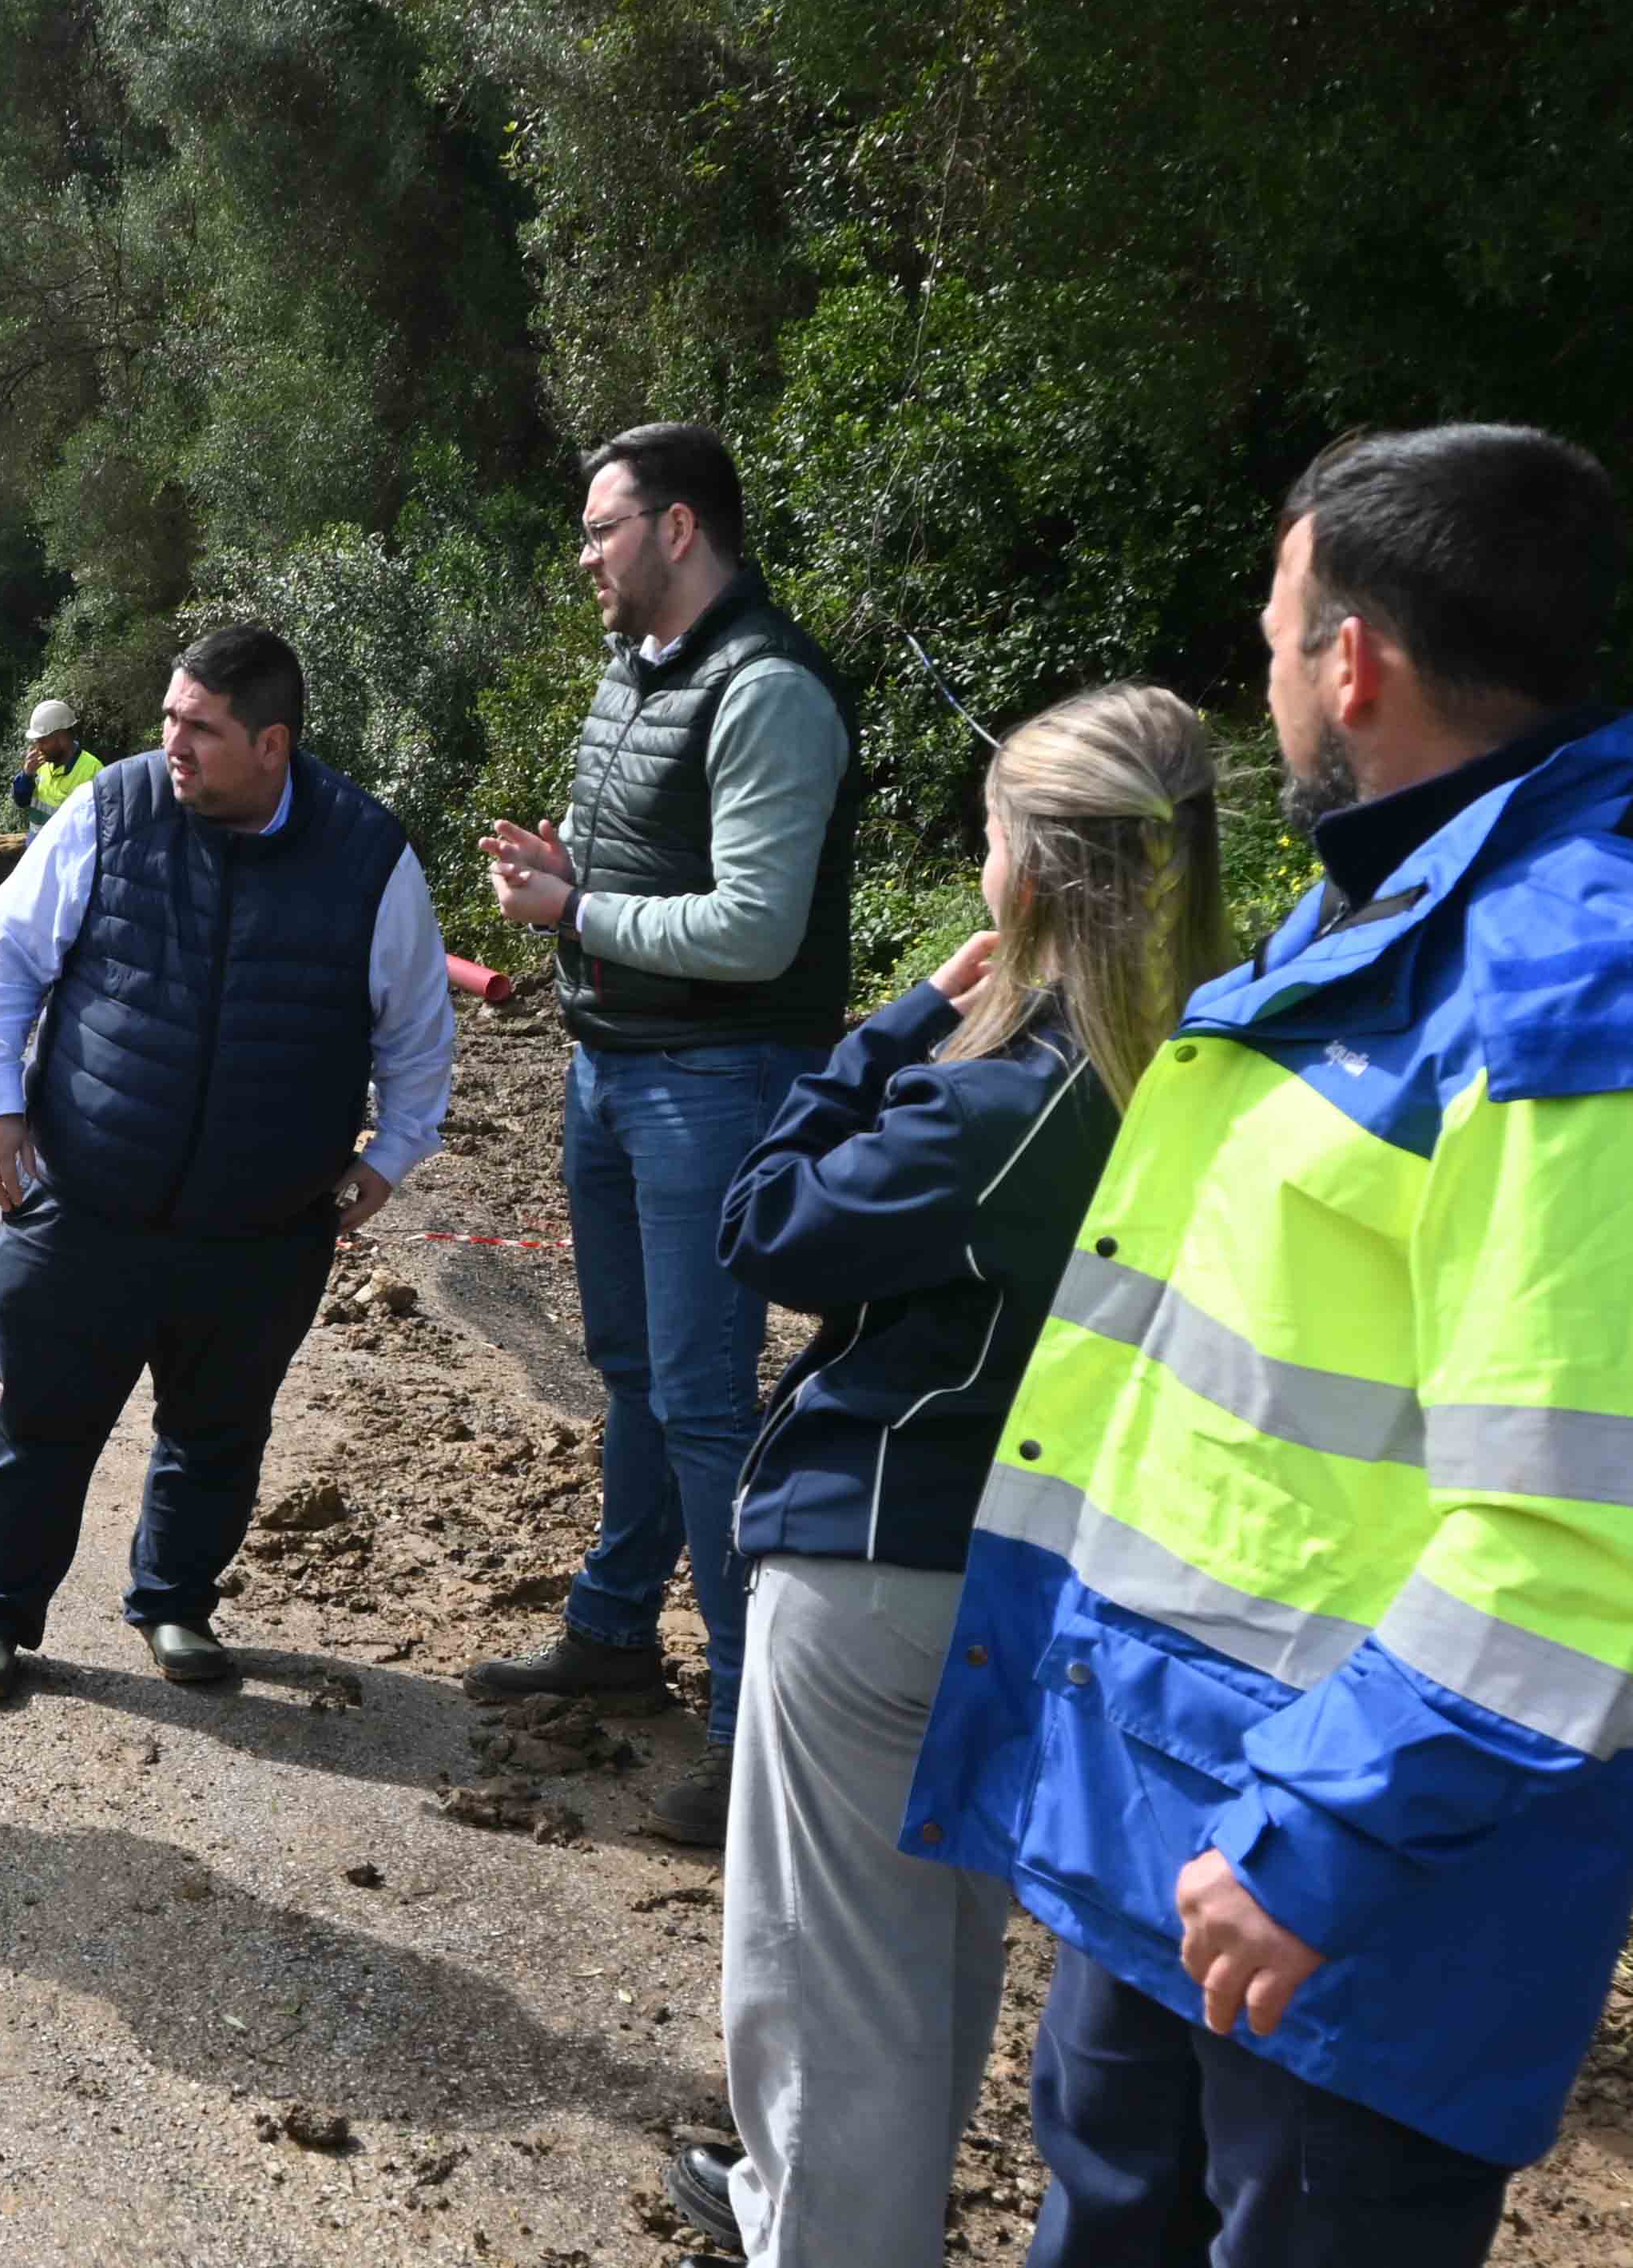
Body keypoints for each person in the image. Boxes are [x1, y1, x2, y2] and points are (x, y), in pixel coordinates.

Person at [900, 427, 1633, 2265]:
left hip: (1351, 1899)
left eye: (1275, 635)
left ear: (1354, 662)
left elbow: (1586, 1544)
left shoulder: (1587, 1005)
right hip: (1185, 1835)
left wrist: (1317, 1839)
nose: (1267, 681)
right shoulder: (1385, 918)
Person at [658, 686, 1230, 2268]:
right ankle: (819, 2208)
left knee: (830, 2001)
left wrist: (904, 1018)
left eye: (989, 835)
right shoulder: (1219, 1076)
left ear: (1027, 879)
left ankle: (827, 2231)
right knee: (939, 1976)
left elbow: (764, 1219)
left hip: (882, 1567)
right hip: (1065, 1572)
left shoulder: (997, 1100)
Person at [0, 625, 456, 1700]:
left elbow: (417, 1029)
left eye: (200, 728)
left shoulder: (367, 856)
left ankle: (175, 1604)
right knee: (39, 1419)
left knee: (216, 1434)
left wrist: (392, 1154)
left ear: (272, 742)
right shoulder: (109, 809)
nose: (172, 743)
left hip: (260, 1227)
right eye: (169, 719)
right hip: (85, 1203)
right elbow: (2, 969)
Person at [473, 420, 860, 1848]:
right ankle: (616, 1629)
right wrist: (575, 877)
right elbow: (658, 867)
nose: (585, 556)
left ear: (679, 530)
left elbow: (757, 931)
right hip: (616, 1066)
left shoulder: (770, 691)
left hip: (722, 1077)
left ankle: (753, 1725)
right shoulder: (633, 674)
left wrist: (575, 914)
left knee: (704, 1395)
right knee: (634, 1367)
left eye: (601, 531)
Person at [7, 697, 102, 825]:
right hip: (39, 844)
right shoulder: (40, 763)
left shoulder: (93, 771)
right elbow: (21, 801)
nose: (38, 747)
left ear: (62, 737)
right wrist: (27, 775)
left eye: (42, 741)